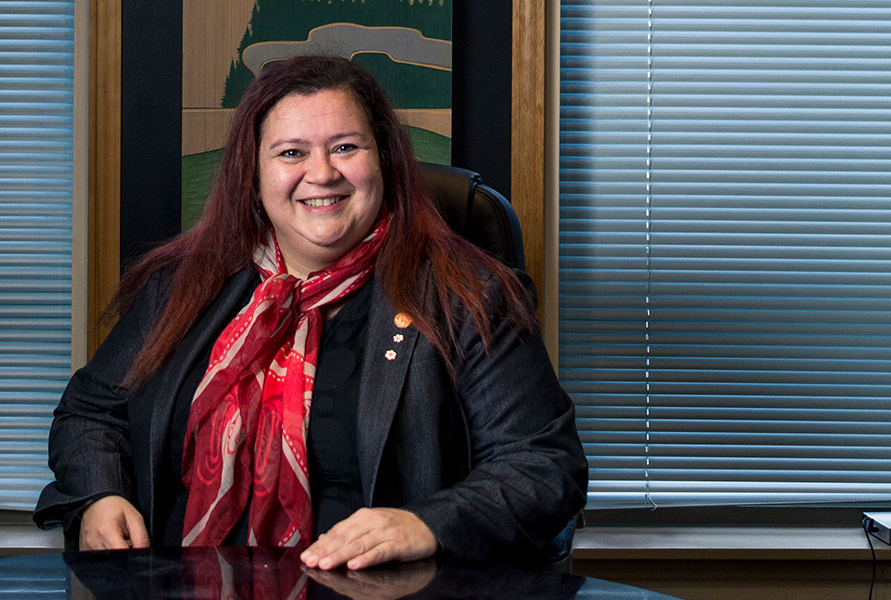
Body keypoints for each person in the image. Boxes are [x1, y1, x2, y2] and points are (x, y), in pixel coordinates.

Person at [33, 55, 587, 571]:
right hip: (180, 583)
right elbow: (91, 414)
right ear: (253, 177)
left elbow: (541, 464)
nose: (322, 174)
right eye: (291, 153)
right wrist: (100, 495)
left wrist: (427, 524)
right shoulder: (182, 286)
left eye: (345, 147)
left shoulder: (466, 296)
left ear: (385, 162)